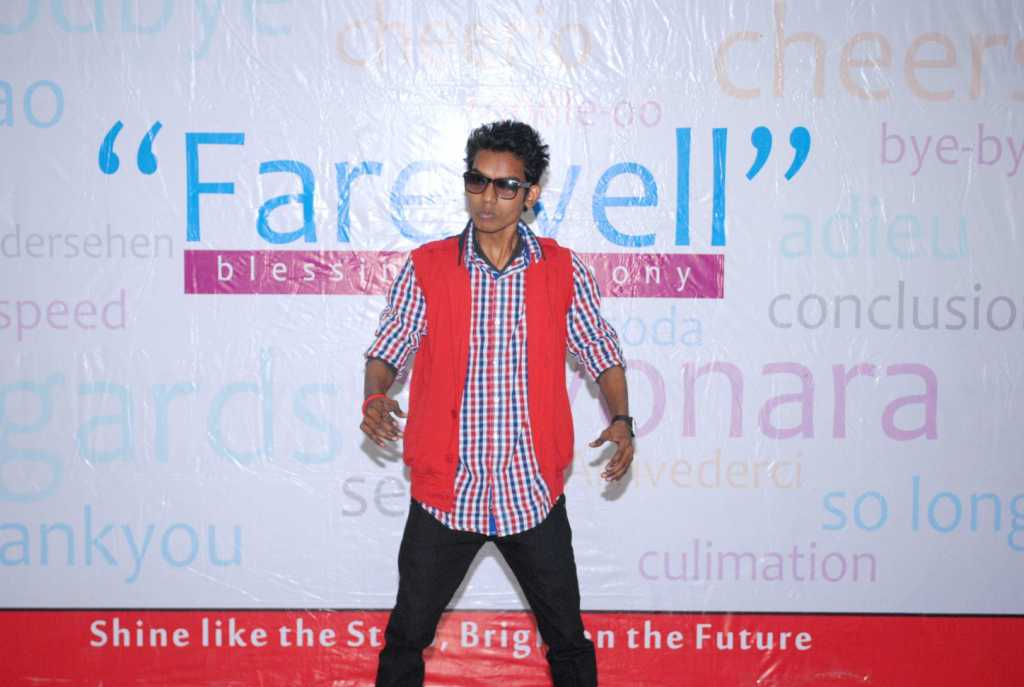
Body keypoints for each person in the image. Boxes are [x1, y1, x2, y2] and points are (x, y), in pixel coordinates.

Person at [361, 120, 634, 687]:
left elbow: (600, 350)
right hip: (447, 496)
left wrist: (622, 418)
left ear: (531, 194)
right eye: (477, 181)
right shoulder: (428, 266)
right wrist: (376, 395)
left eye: (506, 185)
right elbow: (389, 348)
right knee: (405, 639)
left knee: (569, 643)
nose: (488, 198)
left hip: (530, 494)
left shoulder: (561, 269)